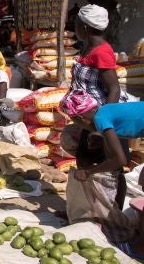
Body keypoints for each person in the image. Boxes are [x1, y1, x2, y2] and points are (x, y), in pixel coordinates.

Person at [60, 92, 141, 250]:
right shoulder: (104, 112)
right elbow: (113, 156)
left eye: (74, 120)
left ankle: (134, 241)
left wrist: (89, 172)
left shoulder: (101, 120)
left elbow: (120, 160)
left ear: (80, 118)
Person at [61, 3, 125, 156]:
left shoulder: (101, 52)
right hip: (90, 119)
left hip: (100, 119)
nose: (74, 28)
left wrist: (103, 126)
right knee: (85, 161)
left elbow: (114, 89)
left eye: (76, 25)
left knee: (104, 162)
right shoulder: (88, 48)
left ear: (85, 28)